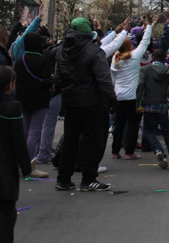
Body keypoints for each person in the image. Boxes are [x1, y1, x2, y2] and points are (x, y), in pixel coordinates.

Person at [54, 18, 115, 192]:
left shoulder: (61, 51)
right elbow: (103, 78)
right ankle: (89, 179)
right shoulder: (93, 51)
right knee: (93, 141)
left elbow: (58, 76)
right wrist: (112, 99)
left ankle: (63, 179)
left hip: (70, 101)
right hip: (92, 102)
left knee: (70, 140)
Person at [0, 66, 32, 243]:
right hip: (4, 161)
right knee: (7, 208)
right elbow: (18, 140)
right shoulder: (12, 107)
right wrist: (26, 167)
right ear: (10, 84)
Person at [110, 13, 156, 160]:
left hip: (119, 95)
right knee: (133, 124)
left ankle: (115, 150)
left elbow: (112, 79)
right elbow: (145, 41)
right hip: (133, 96)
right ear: (129, 46)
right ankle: (129, 152)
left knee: (119, 124)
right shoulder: (135, 57)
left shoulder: (115, 60)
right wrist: (149, 25)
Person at [14, 32, 54, 177]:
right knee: (34, 132)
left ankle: (19, 163)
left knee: (24, 130)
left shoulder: (21, 60)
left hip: (23, 99)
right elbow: (48, 81)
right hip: (40, 99)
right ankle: (29, 166)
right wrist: (50, 80)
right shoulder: (43, 60)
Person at [137, 48, 169, 169]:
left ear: (153, 58)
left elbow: (140, 85)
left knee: (148, 130)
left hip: (148, 105)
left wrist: (138, 102)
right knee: (167, 130)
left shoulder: (145, 70)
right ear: (163, 59)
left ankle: (158, 149)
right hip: (162, 105)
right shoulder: (167, 72)